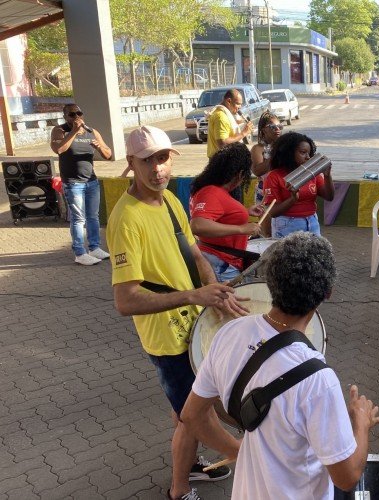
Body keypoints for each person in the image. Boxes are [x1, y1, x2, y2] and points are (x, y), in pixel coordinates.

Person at [182, 232, 379, 499]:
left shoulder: (229, 333)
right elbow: (347, 477)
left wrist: (237, 450)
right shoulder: (317, 379)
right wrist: (360, 422)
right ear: (328, 293)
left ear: (271, 282)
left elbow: (191, 415)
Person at [108, 125, 250, 500]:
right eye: (148, 161)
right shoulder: (126, 219)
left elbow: (195, 252)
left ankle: (181, 481)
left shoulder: (170, 200)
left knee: (186, 412)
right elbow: (126, 300)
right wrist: (193, 296)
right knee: (194, 413)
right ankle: (242, 456)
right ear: (131, 164)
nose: (158, 169)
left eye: (163, 158)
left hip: (193, 325)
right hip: (165, 337)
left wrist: (214, 291)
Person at [189, 143, 265, 283]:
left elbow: (219, 216)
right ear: (241, 174)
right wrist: (242, 229)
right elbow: (198, 225)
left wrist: (245, 212)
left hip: (221, 260)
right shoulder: (212, 192)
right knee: (232, 303)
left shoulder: (211, 189)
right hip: (221, 263)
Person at [50, 103, 113, 265]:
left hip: (91, 181)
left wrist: (100, 148)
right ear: (65, 117)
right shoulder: (60, 130)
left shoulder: (92, 132)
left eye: (79, 113)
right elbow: (59, 149)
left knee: (93, 216)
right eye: (72, 114)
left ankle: (94, 247)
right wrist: (73, 132)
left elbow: (108, 154)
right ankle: (79, 252)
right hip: (73, 183)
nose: (77, 116)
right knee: (78, 219)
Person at [263, 131, 334, 238]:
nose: (308, 157)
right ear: (289, 153)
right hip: (287, 225)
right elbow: (272, 212)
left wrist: (327, 176)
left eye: (309, 153)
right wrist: (292, 199)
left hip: (312, 222)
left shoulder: (310, 173)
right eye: (303, 152)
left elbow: (329, 196)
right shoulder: (274, 176)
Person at [207, 89, 254, 159]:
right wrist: (243, 133)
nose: (240, 107)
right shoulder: (221, 117)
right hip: (222, 162)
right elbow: (222, 143)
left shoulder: (222, 114)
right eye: (238, 103)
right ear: (229, 101)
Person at [250, 111, 283, 206]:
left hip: (283, 190)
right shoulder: (258, 148)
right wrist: (276, 154)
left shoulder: (285, 146)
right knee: (266, 220)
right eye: (272, 127)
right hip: (265, 193)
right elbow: (257, 171)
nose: (277, 129)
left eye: (280, 126)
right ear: (264, 130)